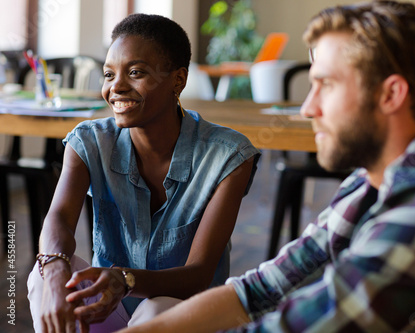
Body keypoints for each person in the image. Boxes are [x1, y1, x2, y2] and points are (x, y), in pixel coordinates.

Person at [118, 1, 415, 332]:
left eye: (326, 85)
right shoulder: (373, 180)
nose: (307, 108)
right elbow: (260, 291)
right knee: (158, 313)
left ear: (391, 94)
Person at [27, 13, 261, 332]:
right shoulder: (90, 141)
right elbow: (59, 220)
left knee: (157, 307)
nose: (117, 87)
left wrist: (125, 280)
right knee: (43, 278)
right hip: (107, 306)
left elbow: (199, 274)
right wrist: (54, 273)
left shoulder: (227, 155)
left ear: (178, 80)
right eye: (109, 75)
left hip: (185, 312)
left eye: (135, 72)